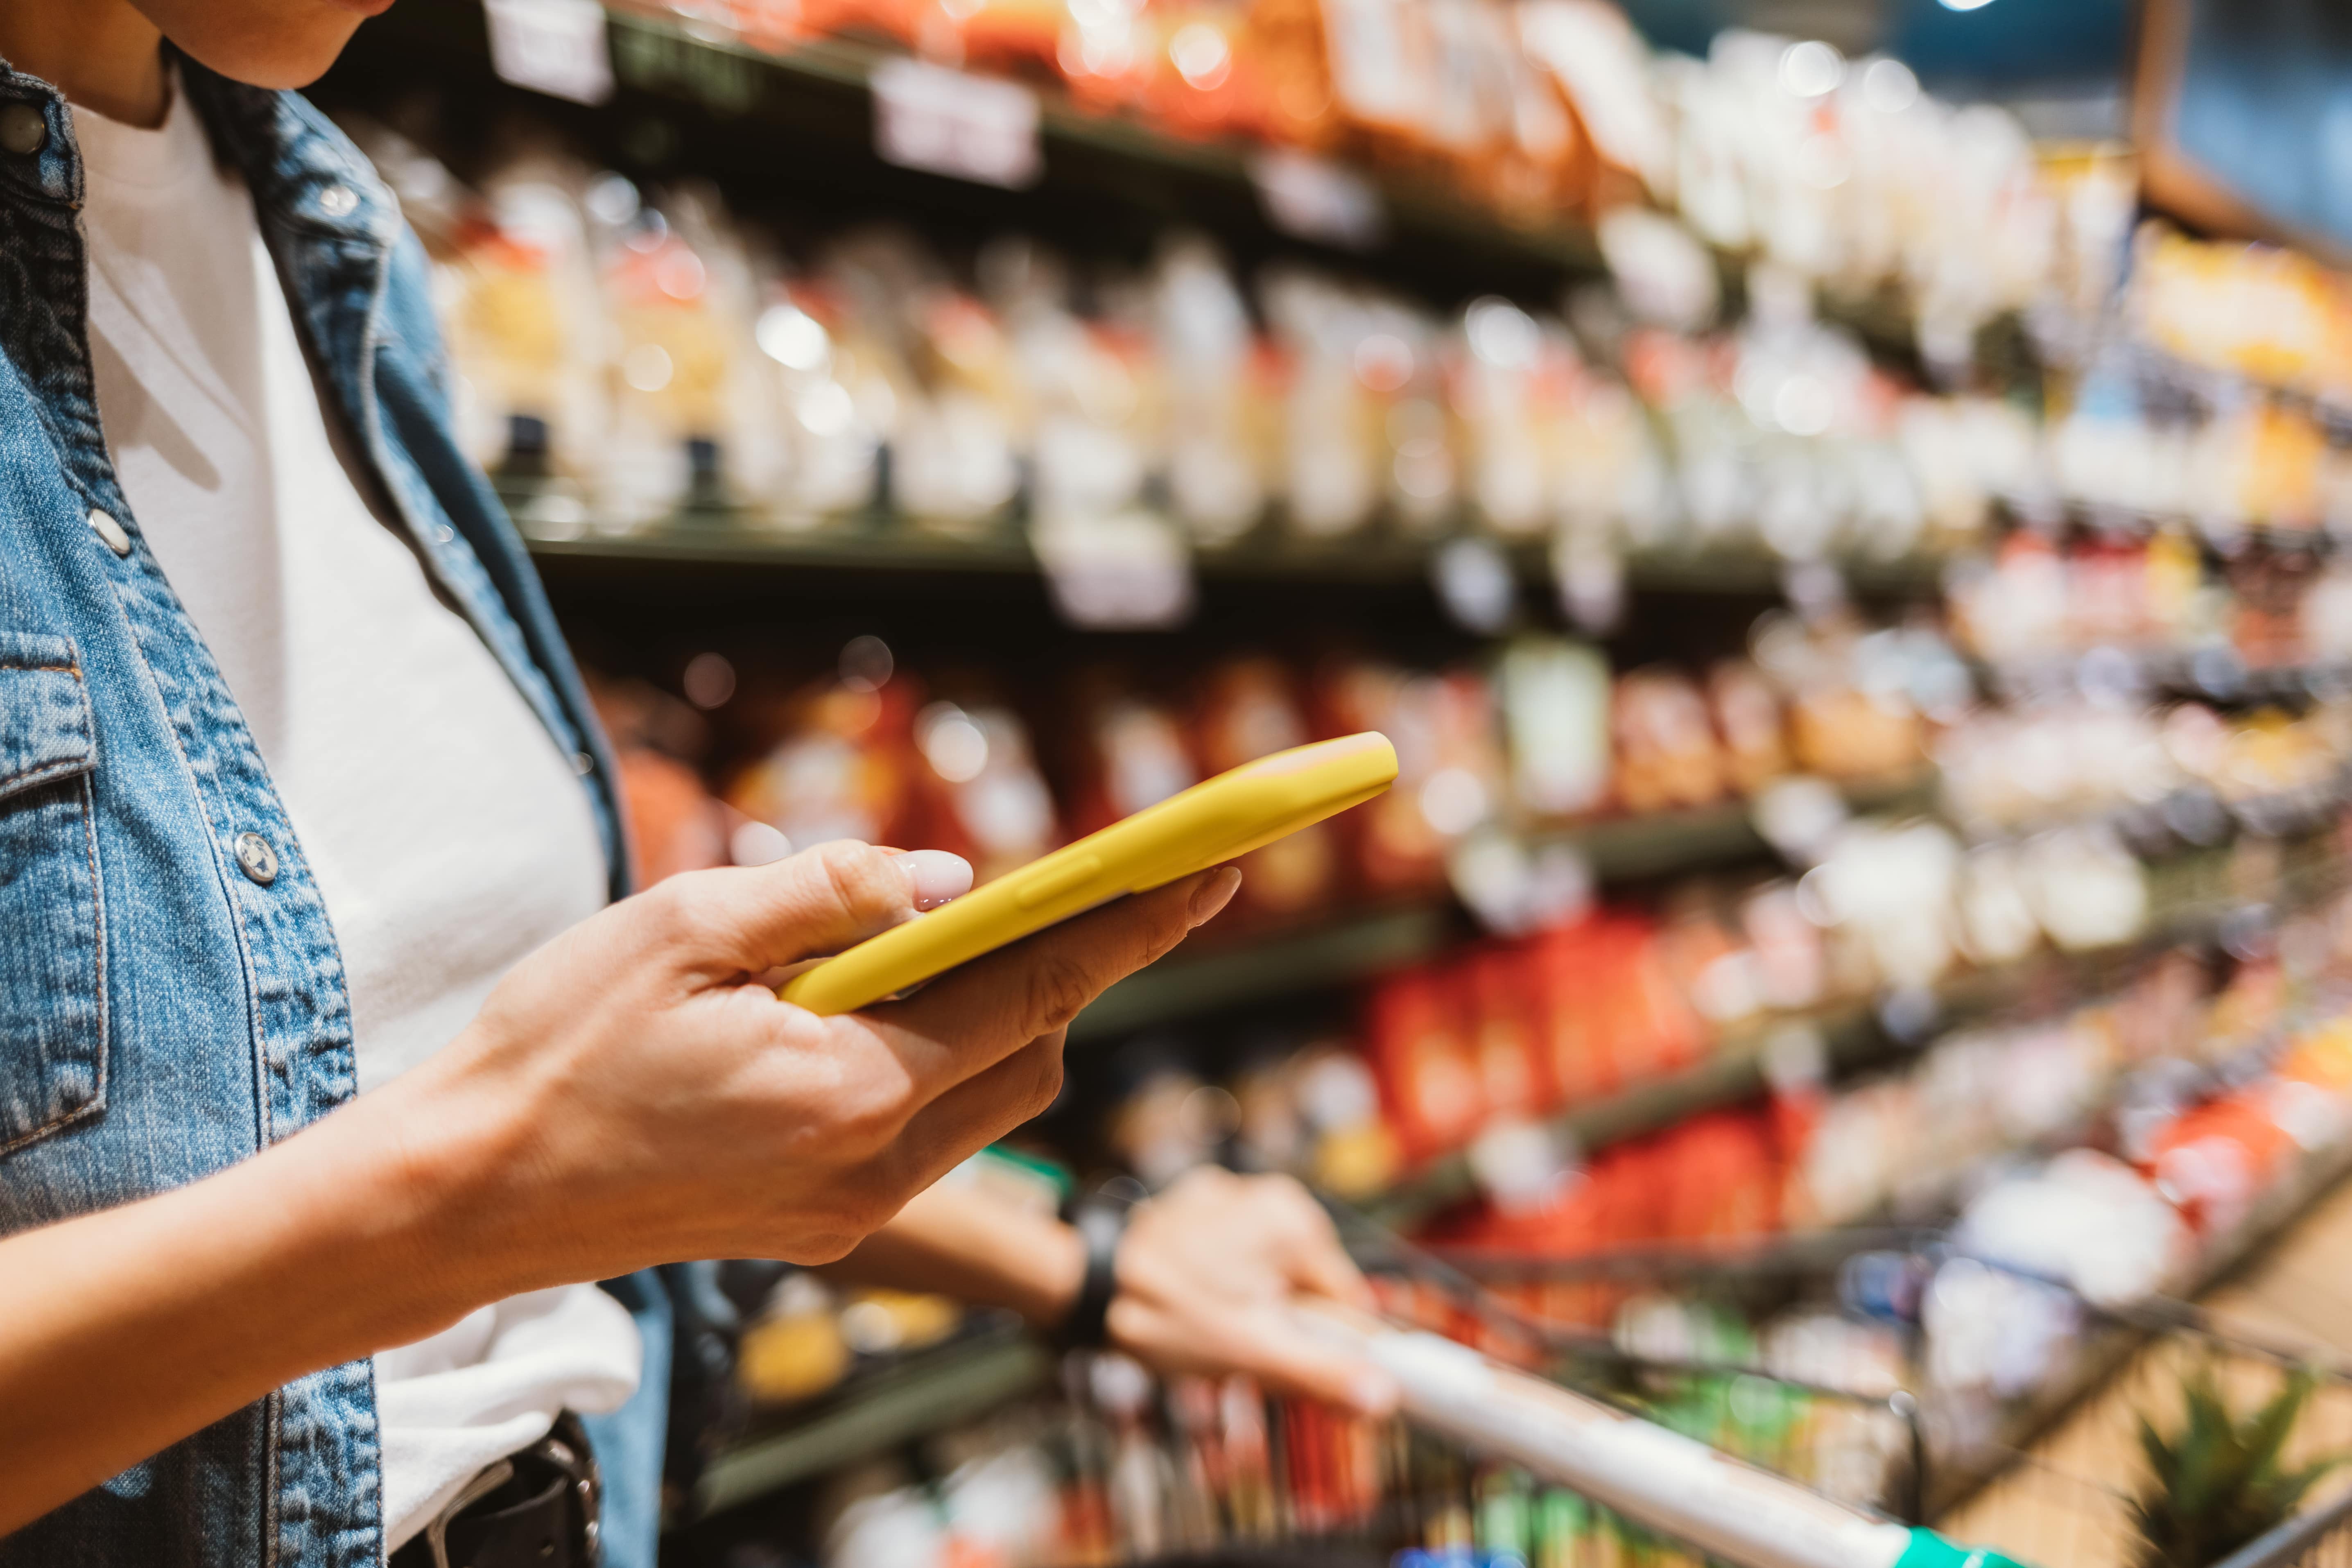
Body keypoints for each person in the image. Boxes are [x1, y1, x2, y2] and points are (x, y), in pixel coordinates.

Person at [0, 3, 1395, 1565]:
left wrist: (1085, 1253)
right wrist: (481, 1195)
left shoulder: (332, 238)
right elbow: (495, 1148)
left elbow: (436, 1055)